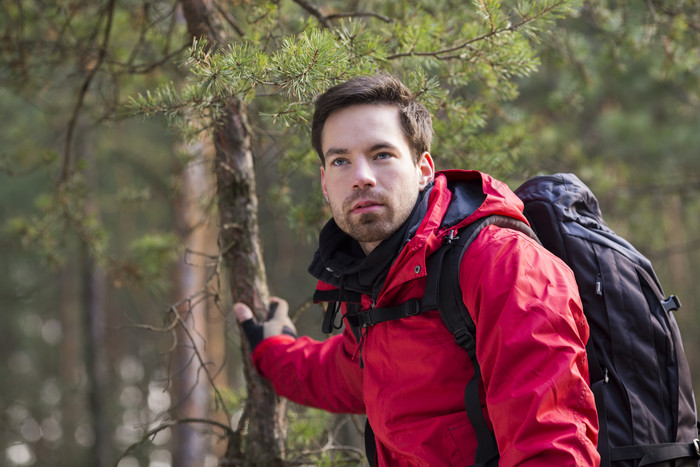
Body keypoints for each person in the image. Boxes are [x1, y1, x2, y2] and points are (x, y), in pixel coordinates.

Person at [233, 73, 600, 466]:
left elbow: (551, 445)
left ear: (424, 168)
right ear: (325, 182)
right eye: (340, 161)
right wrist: (274, 352)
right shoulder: (374, 279)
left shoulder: (503, 263)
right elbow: (351, 374)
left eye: (381, 155)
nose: (361, 178)